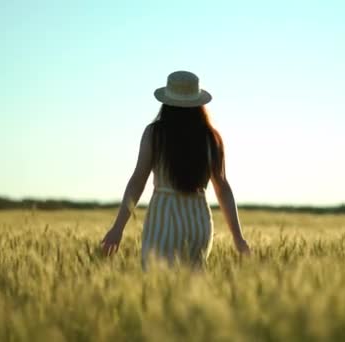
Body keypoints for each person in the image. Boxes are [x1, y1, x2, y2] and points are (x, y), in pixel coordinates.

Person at [100, 70, 250, 267]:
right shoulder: (211, 138)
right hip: (198, 220)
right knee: (192, 290)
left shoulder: (155, 133)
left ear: (167, 101)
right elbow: (222, 188)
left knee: (156, 288)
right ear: (198, 103)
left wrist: (118, 228)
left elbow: (138, 180)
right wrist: (238, 238)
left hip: (163, 217)